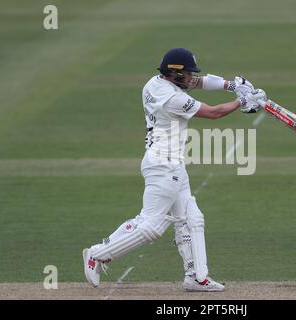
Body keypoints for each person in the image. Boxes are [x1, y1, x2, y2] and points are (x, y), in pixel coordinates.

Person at [83, 48, 266, 291]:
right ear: (174, 73)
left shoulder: (156, 82)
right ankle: (98, 254)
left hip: (172, 163)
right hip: (163, 164)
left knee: (191, 219)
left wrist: (232, 85)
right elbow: (213, 113)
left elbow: (199, 82)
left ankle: (196, 277)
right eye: (187, 74)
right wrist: (243, 101)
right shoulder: (171, 98)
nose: (192, 78)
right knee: (151, 226)